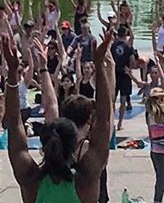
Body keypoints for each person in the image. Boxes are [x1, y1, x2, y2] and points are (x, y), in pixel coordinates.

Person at [3, 25, 115, 203]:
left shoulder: (30, 179)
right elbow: (103, 120)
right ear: (74, 144)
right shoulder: (85, 180)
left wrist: (12, 72)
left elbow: (15, 123)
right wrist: (99, 65)